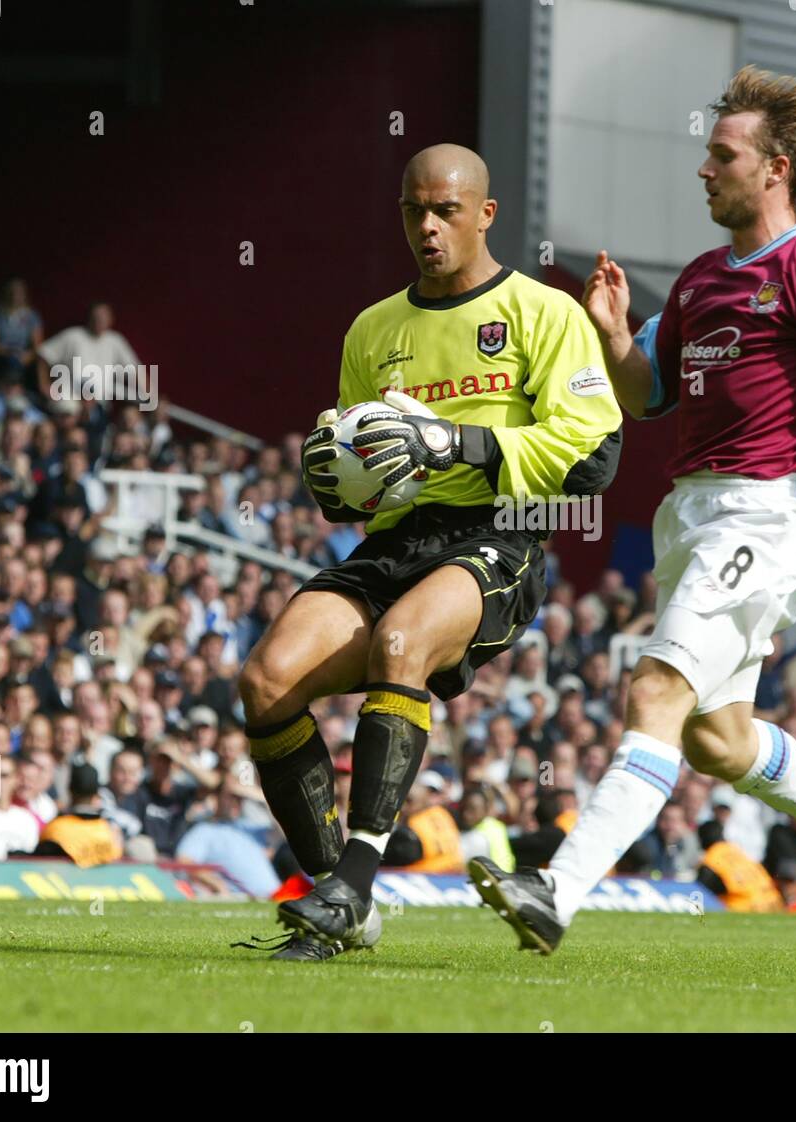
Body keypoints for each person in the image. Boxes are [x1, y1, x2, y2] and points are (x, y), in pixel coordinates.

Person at [471, 66, 796, 953]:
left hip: (760, 519)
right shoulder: (696, 282)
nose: (704, 169)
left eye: (722, 154)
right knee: (718, 741)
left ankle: (556, 891)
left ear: (775, 170)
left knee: (654, 690)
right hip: (688, 519)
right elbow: (644, 396)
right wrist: (612, 337)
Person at [235, 143, 622, 961]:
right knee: (264, 682)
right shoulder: (374, 328)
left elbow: (593, 459)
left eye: (446, 210)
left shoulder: (543, 313)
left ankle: (357, 878)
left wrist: (459, 443)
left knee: (400, 644)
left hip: (499, 530)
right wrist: (333, 478)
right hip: (397, 540)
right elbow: (358, 478)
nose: (428, 226)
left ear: (485, 213)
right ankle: (337, 898)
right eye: (414, 210)